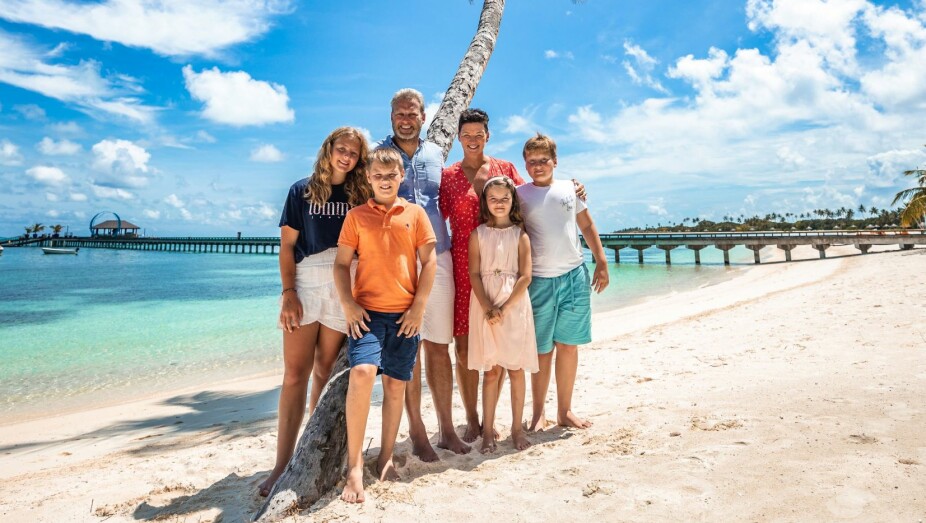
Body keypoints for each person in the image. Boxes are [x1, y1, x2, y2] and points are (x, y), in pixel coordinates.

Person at [259, 127, 371, 497]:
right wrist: (288, 292)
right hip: (306, 281)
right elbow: (287, 247)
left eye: (354, 153)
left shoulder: (361, 192)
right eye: (342, 149)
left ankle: (310, 456)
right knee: (295, 375)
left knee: (324, 371)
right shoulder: (301, 190)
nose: (346, 157)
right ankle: (280, 465)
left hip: (344, 280)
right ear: (329, 149)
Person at [334, 147, 437, 503]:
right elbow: (340, 264)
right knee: (362, 372)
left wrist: (418, 308)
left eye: (391, 176)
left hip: (406, 314)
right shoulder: (357, 217)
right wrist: (347, 303)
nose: (384, 181)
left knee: (396, 386)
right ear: (368, 178)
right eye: (378, 176)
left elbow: (430, 261)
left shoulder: (415, 213)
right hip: (368, 314)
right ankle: (354, 467)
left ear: (401, 178)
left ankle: (387, 456)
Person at [376, 88, 470, 458]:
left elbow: (461, 191)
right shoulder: (378, 155)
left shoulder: (435, 154)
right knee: (406, 348)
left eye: (412, 113)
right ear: (391, 116)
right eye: (399, 113)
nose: (405, 118)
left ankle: (446, 428)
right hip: (395, 262)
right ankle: (417, 432)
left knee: (438, 345)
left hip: (438, 255)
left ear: (423, 115)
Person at [439, 108, 524, 441]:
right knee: (463, 349)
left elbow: (527, 202)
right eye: (466, 135)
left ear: (488, 136)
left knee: (498, 343)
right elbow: (431, 215)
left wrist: (569, 189)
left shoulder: (505, 169)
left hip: (502, 266)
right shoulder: (448, 176)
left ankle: (490, 417)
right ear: (458, 137)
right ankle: (472, 419)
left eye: (479, 134)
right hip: (462, 267)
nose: (472, 140)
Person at [516, 133, 609, 432]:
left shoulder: (571, 188)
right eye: (532, 162)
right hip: (539, 280)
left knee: (568, 346)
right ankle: (538, 413)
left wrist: (601, 260)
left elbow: (586, 224)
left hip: (574, 274)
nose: (539, 166)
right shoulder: (520, 194)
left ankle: (565, 410)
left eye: (544, 160)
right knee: (542, 350)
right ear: (525, 165)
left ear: (555, 161)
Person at [467, 176, 537, 453]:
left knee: (516, 368)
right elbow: (473, 273)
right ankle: (487, 432)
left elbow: (526, 276)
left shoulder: (521, 235)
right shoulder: (478, 234)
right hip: (485, 302)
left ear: (513, 202)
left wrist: (505, 308)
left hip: (514, 305)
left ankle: (517, 428)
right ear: (485, 202)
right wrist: (486, 306)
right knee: (491, 370)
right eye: (493, 198)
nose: (499, 203)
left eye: (504, 199)